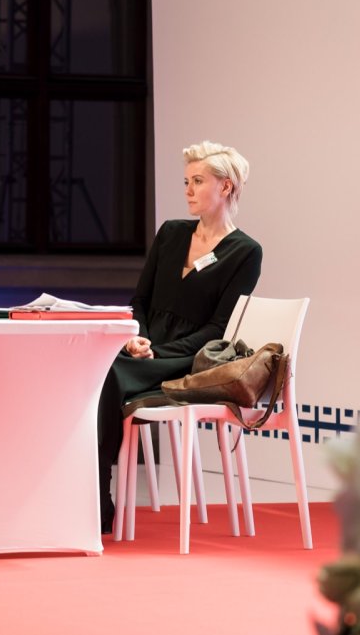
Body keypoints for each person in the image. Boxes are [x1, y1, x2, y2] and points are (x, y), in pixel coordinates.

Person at [97, 140, 261, 533]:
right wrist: (138, 337)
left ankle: (98, 490)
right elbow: (140, 300)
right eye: (186, 181)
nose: (187, 189)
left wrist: (160, 351)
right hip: (146, 345)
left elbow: (218, 329)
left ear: (225, 187)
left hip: (191, 356)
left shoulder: (245, 252)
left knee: (112, 374)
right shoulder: (170, 234)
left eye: (198, 180)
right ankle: (85, 482)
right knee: (96, 365)